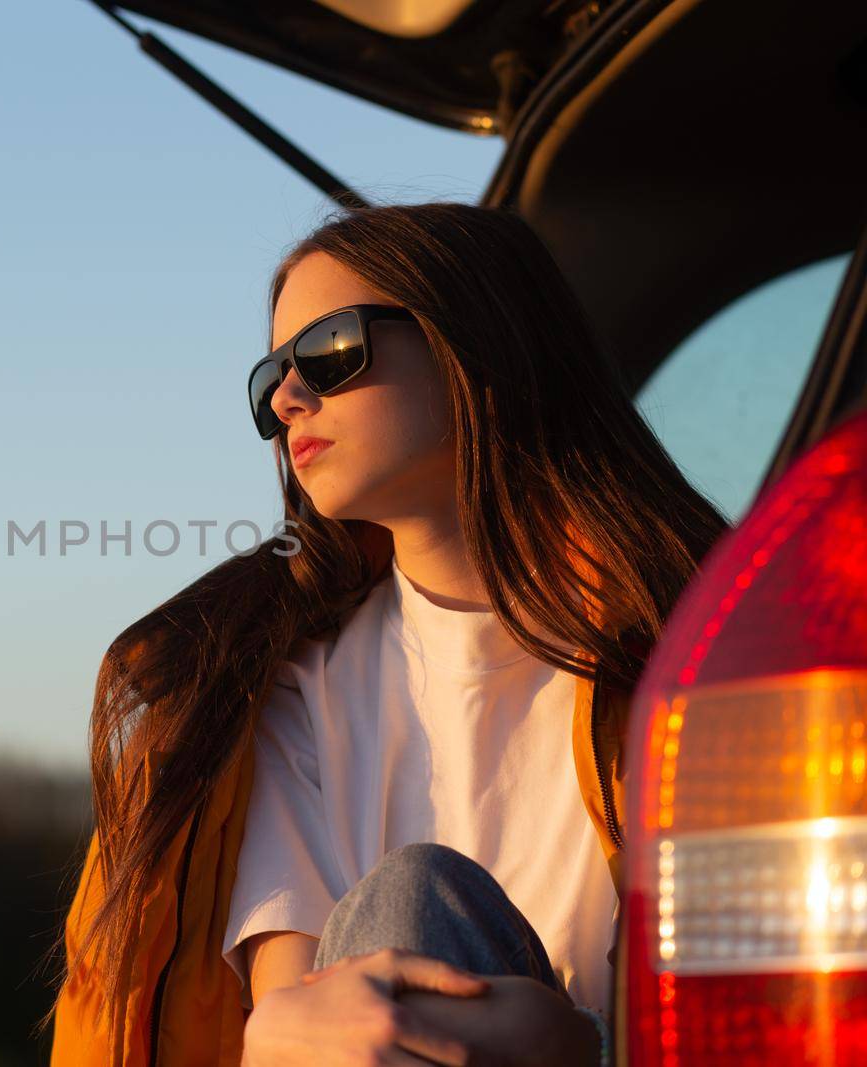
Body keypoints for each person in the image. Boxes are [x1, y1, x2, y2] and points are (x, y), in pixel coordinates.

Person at [43, 201, 728, 1066]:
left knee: (414, 901)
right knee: (402, 920)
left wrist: (583, 1047)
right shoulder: (285, 693)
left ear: (475, 344)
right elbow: (309, 1026)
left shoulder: (702, 655)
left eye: (332, 351)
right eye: (271, 382)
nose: (290, 399)